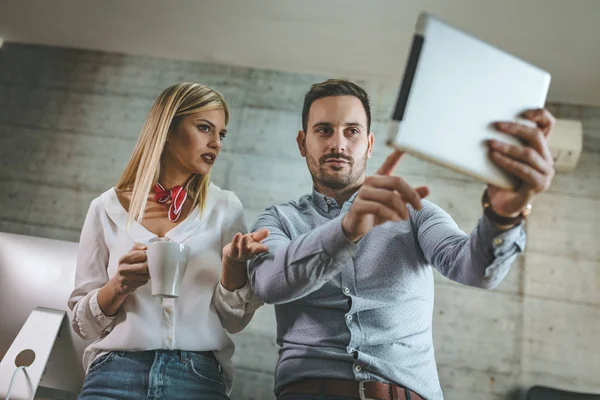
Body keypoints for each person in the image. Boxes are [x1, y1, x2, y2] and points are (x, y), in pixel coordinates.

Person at [248, 79, 555, 400]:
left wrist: (502, 217)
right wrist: (346, 231)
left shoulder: (417, 212)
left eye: (351, 131)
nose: (338, 144)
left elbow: (476, 269)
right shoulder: (278, 219)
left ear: (368, 143)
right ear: (302, 142)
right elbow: (267, 284)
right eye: (324, 130)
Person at [68, 82, 268, 399]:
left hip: (198, 377)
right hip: (113, 375)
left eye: (222, 134)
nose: (216, 143)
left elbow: (234, 320)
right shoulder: (105, 209)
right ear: (168, 128)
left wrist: (233, 266)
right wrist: (118, 284)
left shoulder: (225, 209)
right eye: (205, 128)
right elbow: (83, 325)